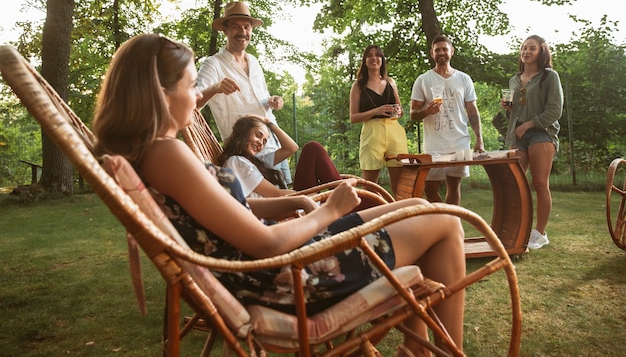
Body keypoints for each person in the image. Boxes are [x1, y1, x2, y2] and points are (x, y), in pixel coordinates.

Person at [92, 34, 466, 356]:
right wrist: (326, 210)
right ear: (160, 94)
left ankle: (418, 348)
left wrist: (303, 204)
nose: (197, 95)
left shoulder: (154, 155)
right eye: (190, 86)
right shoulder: (166, 154)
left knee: (418, 205)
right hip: (288, 279)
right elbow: (267, 244)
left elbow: (231, 210)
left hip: (278, 265)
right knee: (446, 221)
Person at [195, 1, 292, 184]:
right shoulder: (213, 64)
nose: (243, 32)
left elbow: (263, 97)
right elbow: (193, 103)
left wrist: (273, 100)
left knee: (287, 199)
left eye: (246, 27)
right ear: (225, 31)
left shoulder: (254, 61)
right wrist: (215, 88)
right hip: (246, 155)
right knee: (273, 205)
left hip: (273, 143)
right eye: (236, 27)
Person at [217, 115, 383, 211]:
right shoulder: (237, 162)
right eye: (258, 135)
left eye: (265, 140)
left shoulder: (255, 161)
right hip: (290, 208)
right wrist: (314, 197)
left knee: (312, 149)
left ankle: (359, 199)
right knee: (369, 203)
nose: (261, 143)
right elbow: (275, 195)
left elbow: (291, 148)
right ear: (243, 133)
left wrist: (269, 124)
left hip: (293, 202)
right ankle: (367, 202)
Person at [501, 35, 563, 250]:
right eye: (524, 48)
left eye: (532, 48)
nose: (526, 51)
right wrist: (509, 109)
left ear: (541, 51)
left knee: (539, 184)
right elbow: (516, 111)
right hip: (517, 136)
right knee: (515, 184)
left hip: (542, 134)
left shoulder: (549, 77)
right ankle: (519, 229)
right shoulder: (514, 80)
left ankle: (540, 233)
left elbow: (555, 110)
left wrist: (528, 125)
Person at [410, 35, 484, 205]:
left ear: (452, 51)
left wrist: (479, 138)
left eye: (444, 49)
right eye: (437, 50)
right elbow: (413, 113)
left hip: (459, 141)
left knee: (454, 185)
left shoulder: (464, 79)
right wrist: (427, 110)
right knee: (430, 188)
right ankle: (443, 219)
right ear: (432, 53)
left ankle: (451, 225)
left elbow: (472, 110)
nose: (441, 52)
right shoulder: (423, 80)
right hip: (434, 143)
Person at [349, 45, 409, 198]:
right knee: (370, 186)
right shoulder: (358, 86)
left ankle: (400, 217)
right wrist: (376, 111)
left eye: (377, 55)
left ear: (382, 60)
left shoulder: (391, 82)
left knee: (400, 184)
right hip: (371, 132)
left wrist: (399, 111)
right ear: (365, 60)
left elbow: (400, 109)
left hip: (394, 132)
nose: (374, 58)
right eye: (369, 55)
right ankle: (371, 217)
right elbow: (353, 117)